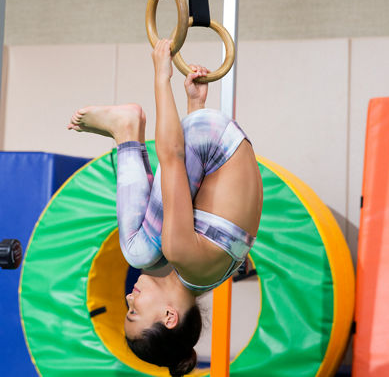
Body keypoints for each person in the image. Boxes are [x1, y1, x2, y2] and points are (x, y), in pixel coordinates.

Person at [67, 39, 263, 376]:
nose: (129, 298)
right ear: (169, 317)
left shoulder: (206, 277)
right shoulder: (183, 255)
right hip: (213, 140)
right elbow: (171, 156)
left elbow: (197, 190)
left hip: (221, 142)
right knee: (138, 252)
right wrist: (162, 75)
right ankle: (126, 130)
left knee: (148, 256)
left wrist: (195, 103)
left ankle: (136, 130)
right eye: (134, 312)